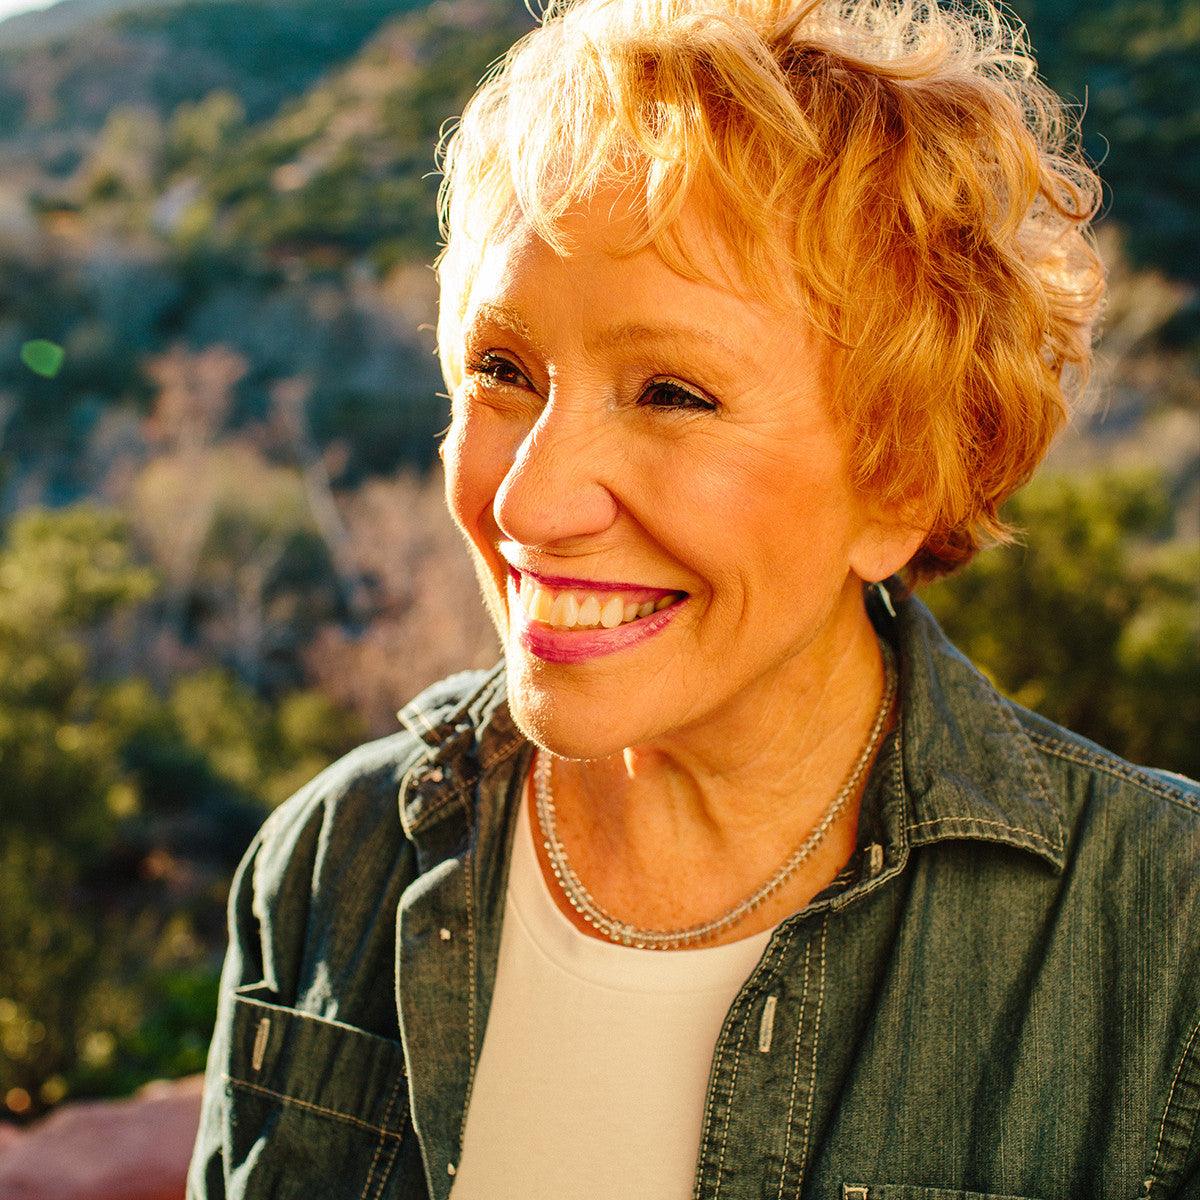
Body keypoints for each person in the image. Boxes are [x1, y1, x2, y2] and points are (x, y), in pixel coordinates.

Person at [187, 0, 1200, 1196]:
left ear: (901, 485)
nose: (530, 501)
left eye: (670, 392)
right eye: (501, 372)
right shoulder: (329, 862)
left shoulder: (1163, 939)